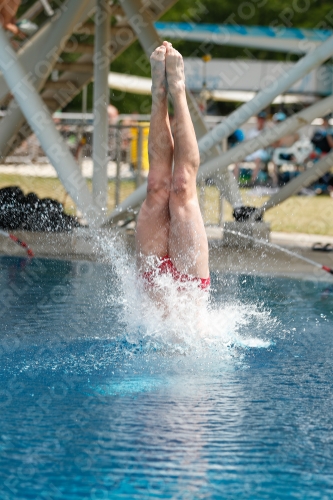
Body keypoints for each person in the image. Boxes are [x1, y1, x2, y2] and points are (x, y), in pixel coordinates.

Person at [135, 41, 210, 294]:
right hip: (169, 290)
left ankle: (176, 89)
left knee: (178, 186)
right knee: (161, 186)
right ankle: (162, 91)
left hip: (177, 292)